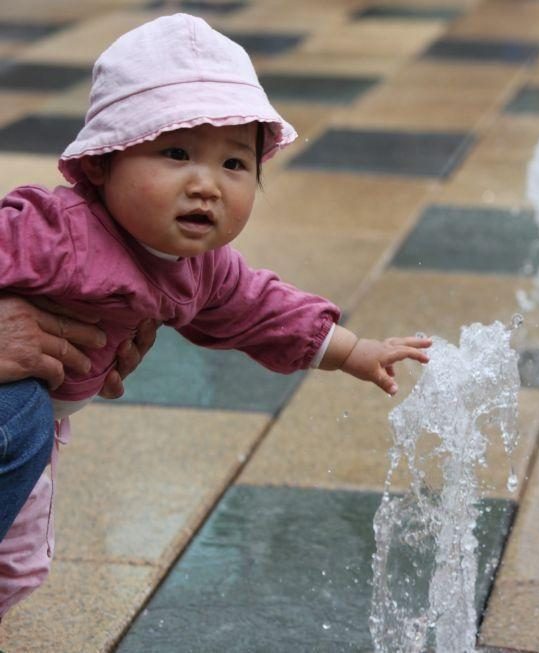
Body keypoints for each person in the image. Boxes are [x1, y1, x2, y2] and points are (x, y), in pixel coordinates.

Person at [0, 13, 431, 618]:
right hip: (12, 404)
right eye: (176, 153)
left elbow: (261, 308)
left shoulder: (202, 267)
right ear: (101, 163)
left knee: (19, 567)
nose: (207, 185)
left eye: (234, 165)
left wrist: (354, 351)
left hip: (43, 421)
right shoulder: (58, 232)